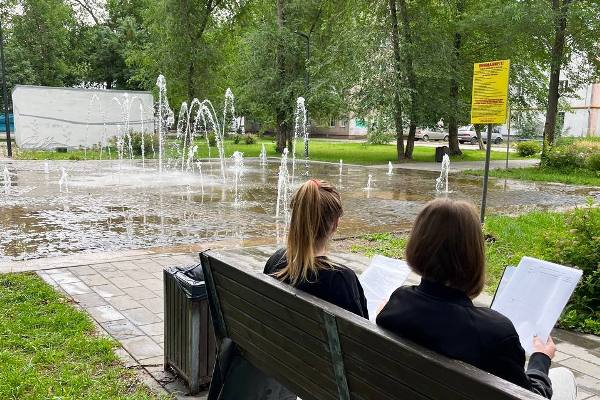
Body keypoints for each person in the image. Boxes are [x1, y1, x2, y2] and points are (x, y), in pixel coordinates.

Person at [376, 198, 577, 400]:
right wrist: (541, 358)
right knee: (564, 376)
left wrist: (388, 309)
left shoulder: (398, 302)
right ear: (474, 254)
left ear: (417, 244)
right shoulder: (494, 332)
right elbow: (529, 396)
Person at [264, 178, 368, 319]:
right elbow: (359, 329)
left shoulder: (276, 261)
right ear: (335, 223)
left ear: (296, 219)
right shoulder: (340, 279)